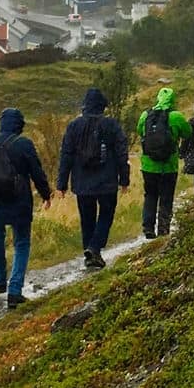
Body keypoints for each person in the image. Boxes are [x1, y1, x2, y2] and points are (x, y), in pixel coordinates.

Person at [0, 107, 51, 305]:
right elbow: (37, 173)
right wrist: (46, 194)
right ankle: (15, 289)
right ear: (19, 125)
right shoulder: (24, 145)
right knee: (21, 242)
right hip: (20, 201)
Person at [56, 86, 131, 270]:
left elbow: (66, 155)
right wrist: (124, 179)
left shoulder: (74, 126)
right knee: (106, 214)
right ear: (102, 106)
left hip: (82, 182)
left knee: (87, 218)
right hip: (107, 181)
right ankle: (94, 248)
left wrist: (61, 184)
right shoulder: (111, 125)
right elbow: (122, 153)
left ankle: (89, 254)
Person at [138, 85, 191, 239]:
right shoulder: (175, 116)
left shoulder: (145, 115)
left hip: (148, 166)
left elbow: (140, 131)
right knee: (166, 197)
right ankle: (163, 229)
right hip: (168, 166)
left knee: (150, 195)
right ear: (172, 100)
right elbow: (188, 133)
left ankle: (148, 227)